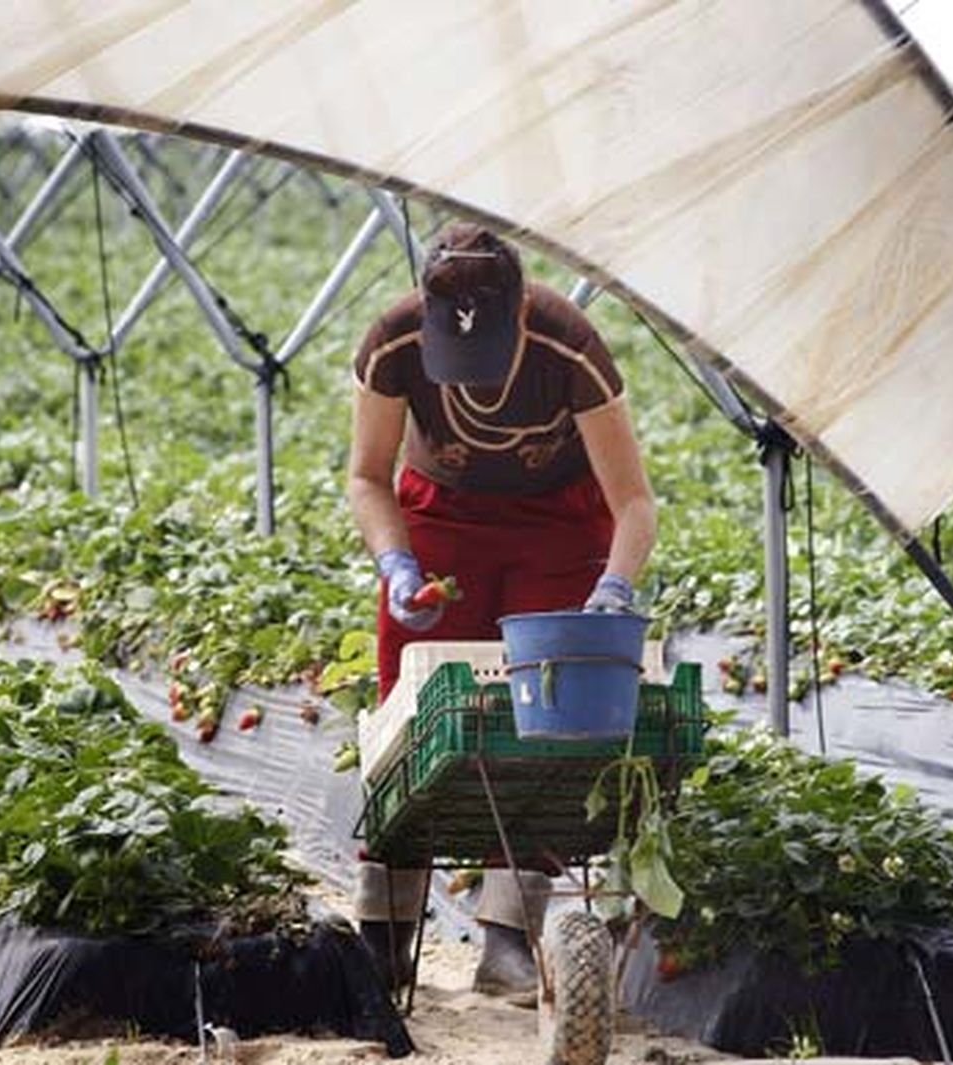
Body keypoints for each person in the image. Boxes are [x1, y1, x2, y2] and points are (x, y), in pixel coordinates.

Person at [346, 221, 657, 999]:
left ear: (521, 316)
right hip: (440, 520)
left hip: (558, 523)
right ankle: (383, 932)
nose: (468, 379)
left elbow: (634, 502)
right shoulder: (393, 342)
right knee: (416, 711)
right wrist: (395, 563)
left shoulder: (569, 348)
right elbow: (367, 476)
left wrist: (611, 590)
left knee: (546, 718)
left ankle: (508, 938)